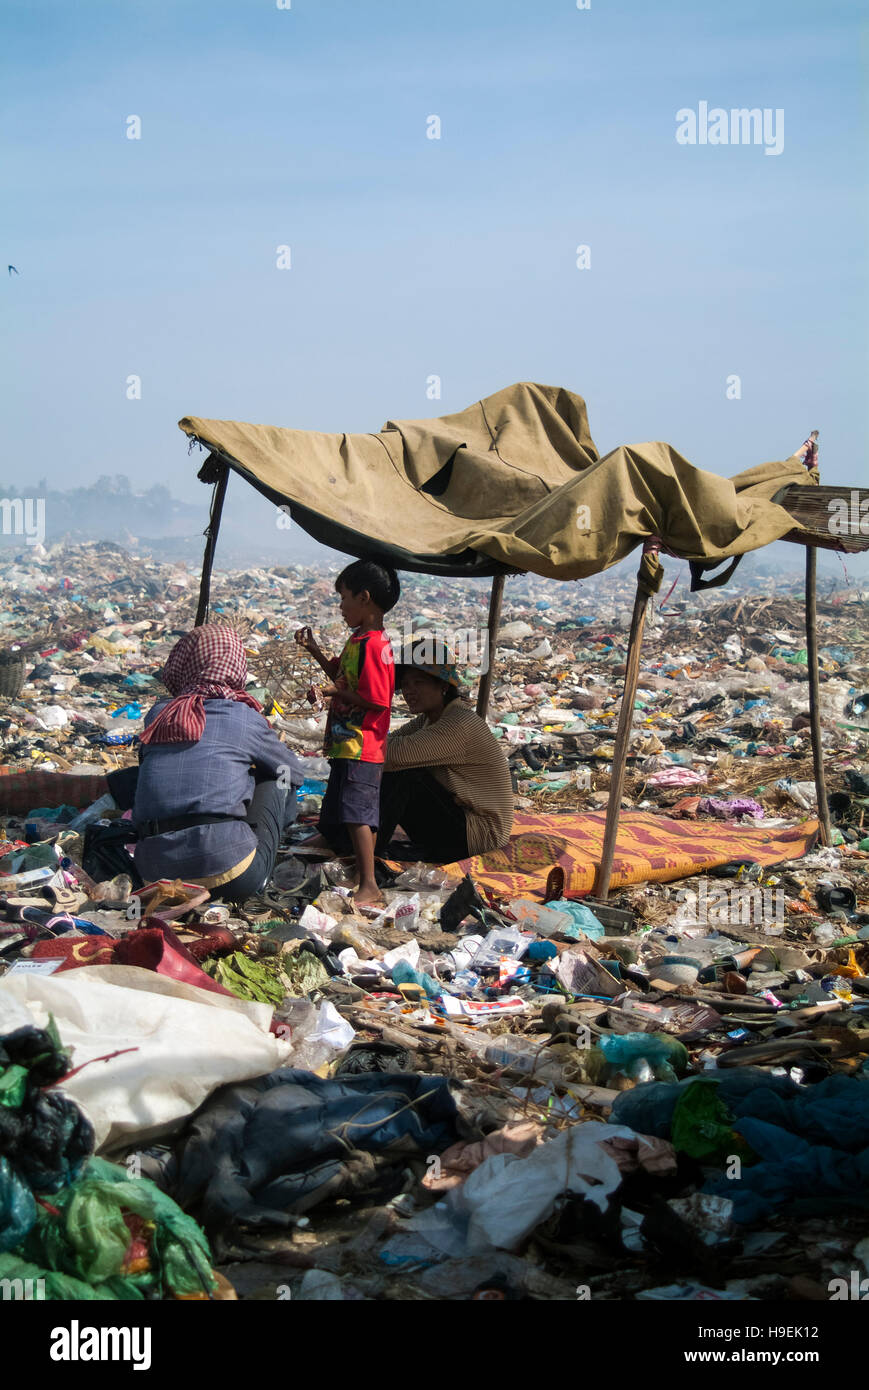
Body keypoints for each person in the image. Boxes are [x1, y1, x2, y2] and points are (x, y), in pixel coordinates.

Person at [131, 624, 305, 901]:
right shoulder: (244, 716)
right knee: (278, 777)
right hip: (231, 876)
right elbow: (293, 770)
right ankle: (274, 845)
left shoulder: (159, 714)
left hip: (154, 878)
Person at [295, 558, 400, 904]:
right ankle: (354, 870)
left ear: (364, 598)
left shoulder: (375, 646)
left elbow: (378, 699)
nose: (340, 607)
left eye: (343, 598)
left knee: (358, 813)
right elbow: (339, 676)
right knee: (343, 808)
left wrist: (334, 693)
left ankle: (369, 885)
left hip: (363, 744)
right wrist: (315, 653)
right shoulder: (358, 639)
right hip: (346, 742)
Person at [377, 642, 514, 862]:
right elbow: (390, 743)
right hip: (459, 823)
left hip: (479, 836)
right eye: (404, 684)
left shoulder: (459, 723)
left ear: (442, 685)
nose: (408, 692)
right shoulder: (429, 718)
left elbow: (393, 755)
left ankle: (370, 850)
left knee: (405, 773)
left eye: (418, 682)